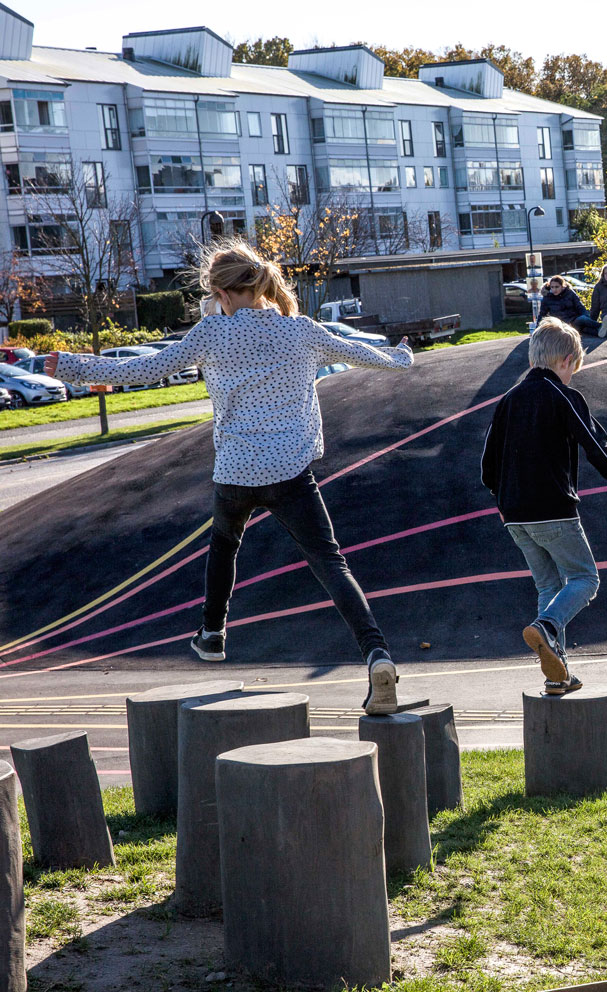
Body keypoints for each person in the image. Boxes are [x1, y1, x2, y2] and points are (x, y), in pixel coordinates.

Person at [44, 241, 414, 714]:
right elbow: (366, 355)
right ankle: (376, 654)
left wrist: (71, 365)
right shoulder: (301, 331)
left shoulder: (210, 334)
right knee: (330, 562)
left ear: (220, 291)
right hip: (291, 471)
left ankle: (214, 632)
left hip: (236, 472)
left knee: (224, 544)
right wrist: (402, 356)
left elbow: (140, 369)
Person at [479, 318, 607, 695]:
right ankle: (547, 629)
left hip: (515, 516)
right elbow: (595, 444)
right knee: (586, 579)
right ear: (567, 360)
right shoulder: (562, 395)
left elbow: (487, 463)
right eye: (574, 370)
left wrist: (501, 500)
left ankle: (558, 674)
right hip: (553, 507)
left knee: (549, 584)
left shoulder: (507, 399)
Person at [539, 276, 604, 337]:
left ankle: (602, 328)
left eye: (557, 287)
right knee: (584, 329)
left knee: (583, 319)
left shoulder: (570, 293)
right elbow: (542, 314)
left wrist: (586, 316)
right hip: (560, 326)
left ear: (562, 286)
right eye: (552, 287)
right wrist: (537, 329)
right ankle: (603, 329)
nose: (554, 289)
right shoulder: (547, 298)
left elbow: (580, 306)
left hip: (574, 320)